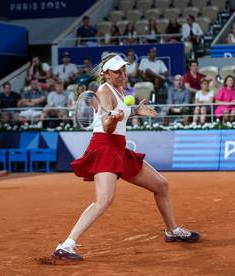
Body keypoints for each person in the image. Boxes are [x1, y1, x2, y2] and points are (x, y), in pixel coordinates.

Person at [51, 53, 200, 261]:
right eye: (117, 71)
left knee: (161, 186)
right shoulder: (103, 90)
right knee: (103, 200)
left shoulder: (120, 89)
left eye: (124, 70)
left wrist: (135, 112)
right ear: (106, 74)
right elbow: (107, 127)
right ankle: (66, 245)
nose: (123, 74)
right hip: (105, 147)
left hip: (119, 149)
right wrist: (114, 118)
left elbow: (120, 115)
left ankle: (171, 230)